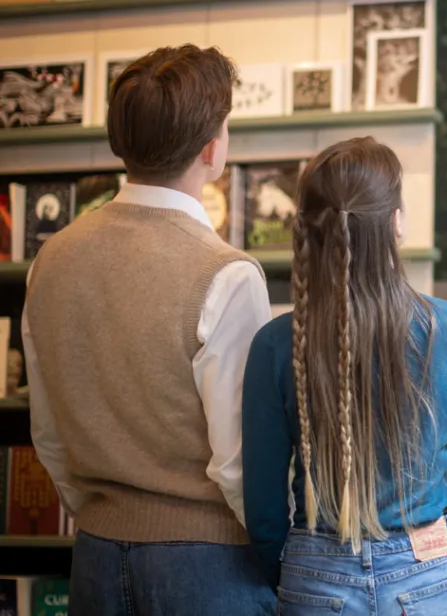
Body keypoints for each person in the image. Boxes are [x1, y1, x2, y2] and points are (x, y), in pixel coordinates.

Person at [24, 44, 277, 615]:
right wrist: (278, 557)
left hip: (93, 555)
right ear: (213, 149)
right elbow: (241, 462)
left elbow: (49, 437)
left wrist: (105, 512)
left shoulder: (51, 260)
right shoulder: (228, 273)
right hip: (210, 565)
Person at [242, 137, 447, 614]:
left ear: (308, 230)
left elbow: (263, 511)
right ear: (396, 222)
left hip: (314, 575)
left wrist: (302, 572)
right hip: (429, 574)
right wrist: (430, 564)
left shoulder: (275, 344)